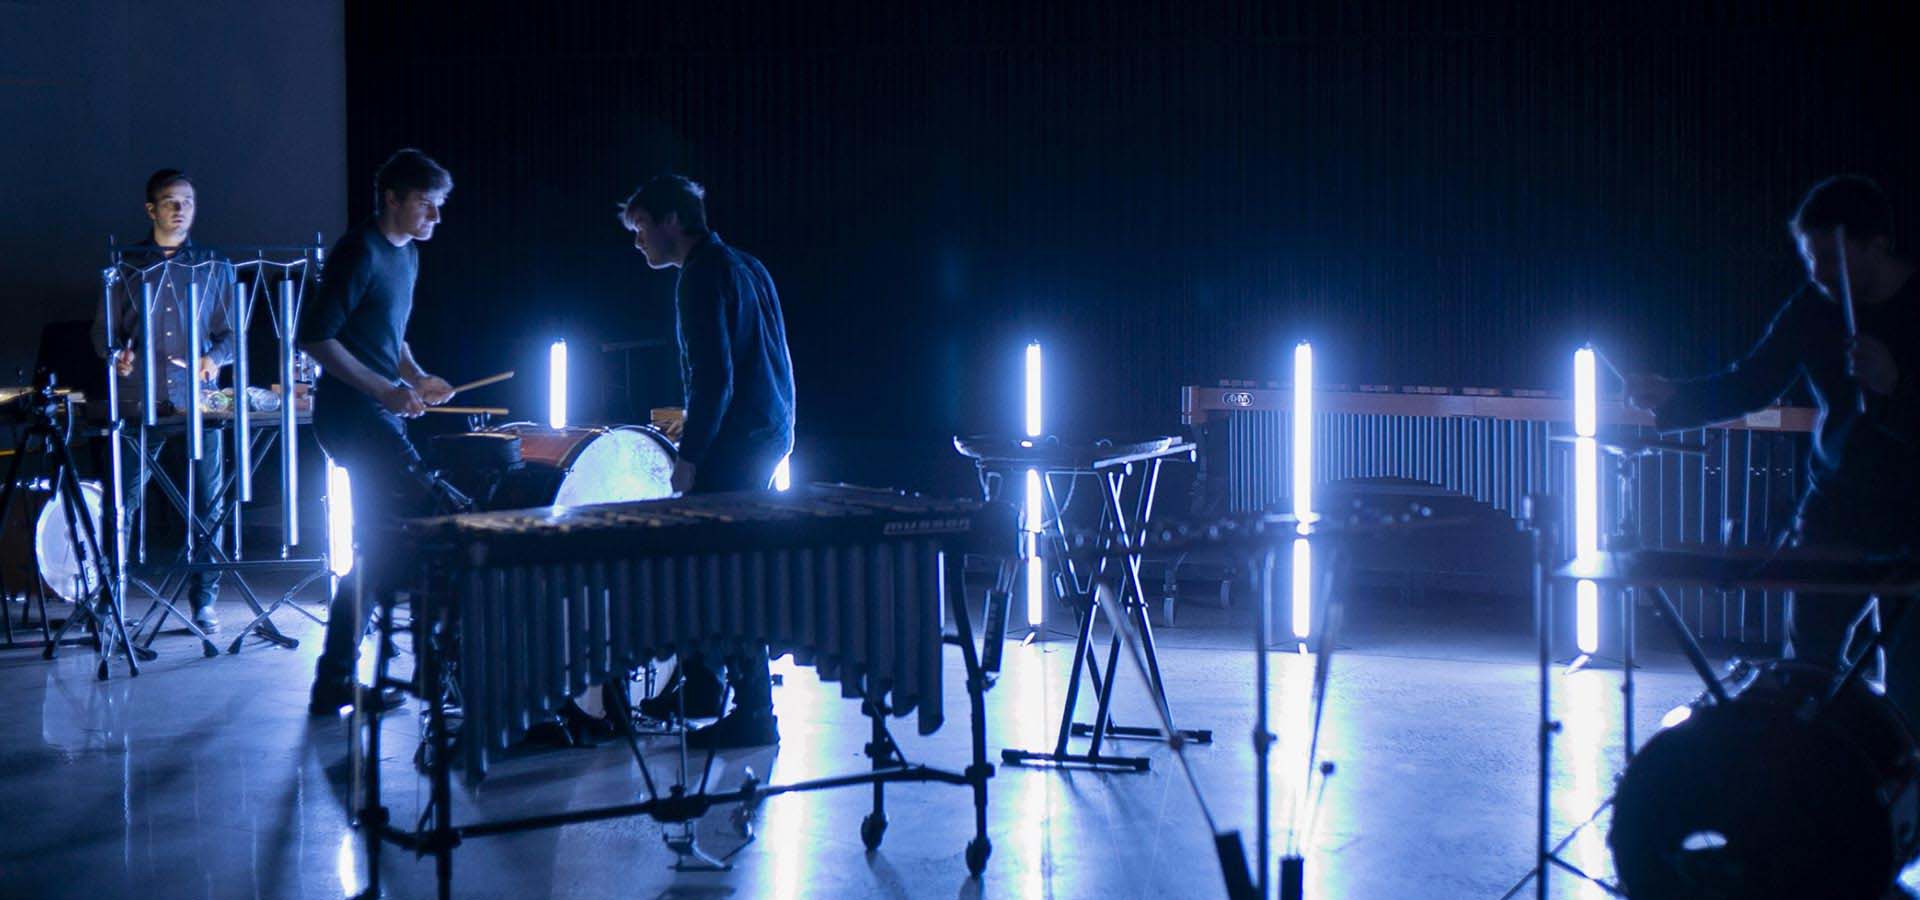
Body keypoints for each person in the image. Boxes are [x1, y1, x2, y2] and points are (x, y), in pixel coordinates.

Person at [1626, 174, 1920, 719]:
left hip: (1914, 513)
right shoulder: (1815, 306)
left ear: (1877, 245)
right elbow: (1753, 381)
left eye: (1832, 261)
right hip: (1839, 504)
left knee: (1911, 688)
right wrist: (1676, 399)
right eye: (1811, 261)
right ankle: (1805, 783)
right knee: (1807, 665)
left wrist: (1897, 385)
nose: (1819, 276)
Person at [620, 174, 796, 748]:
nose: (638, 241)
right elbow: (771, 361)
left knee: (727, 573)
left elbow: (715, 379)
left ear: (671, 220)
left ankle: (754, 712)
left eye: (642, 227)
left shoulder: (700, 278)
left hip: (737, 442)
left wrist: (690, 456)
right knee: (709, 563)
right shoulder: (746, 264)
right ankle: (702, 685)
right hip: (767, 431)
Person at [299, 149, 458, 715]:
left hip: (377, 411)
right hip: (348, 416)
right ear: (391, 197)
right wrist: (382, 388)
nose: (435, 218)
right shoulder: (358, 250)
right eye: (426, 205)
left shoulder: (408, 255)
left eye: (439, 208)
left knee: (385, 545)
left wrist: (414, 376)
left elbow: (390, 333)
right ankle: (417, 669)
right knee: (427, 515)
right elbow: (316, 337)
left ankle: (338, 678)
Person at [93, 169, 236, 634]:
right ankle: (111, 597)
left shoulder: (215, 265)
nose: (181, 210)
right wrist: (119, 357)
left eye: (189, 201)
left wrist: (212, 359)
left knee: (208, 503)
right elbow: (104, 334)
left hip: (200, 399)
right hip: (142, 400)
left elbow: (231, 336)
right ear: (151, 209)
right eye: (171, 202)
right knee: (124, 501)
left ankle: (205, 602)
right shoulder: (128, 266)